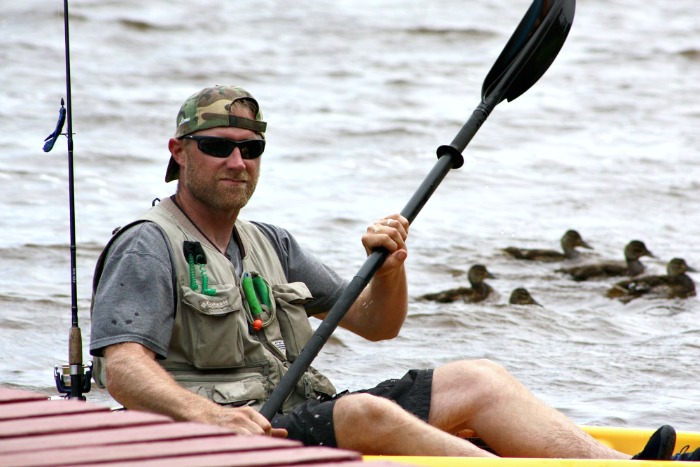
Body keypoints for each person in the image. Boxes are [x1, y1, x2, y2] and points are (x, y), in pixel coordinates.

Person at [89, 85, 695, 460]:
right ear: (179, 152)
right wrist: (210, 417)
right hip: (226, 436)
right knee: (366, 415)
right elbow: (123, 370)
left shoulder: (270, 242)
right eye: (218, 146)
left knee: (480, 378)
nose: (237, 161)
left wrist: (391, 266)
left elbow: (379, 326)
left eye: (251, 149)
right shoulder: (149, 246)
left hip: (297, 415)